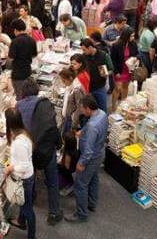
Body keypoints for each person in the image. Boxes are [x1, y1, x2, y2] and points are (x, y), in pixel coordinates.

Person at [16, 78, 63, 225]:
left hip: (29, 149)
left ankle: (31, 198)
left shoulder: (18, 105)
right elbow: (53, 127)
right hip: (47, 149)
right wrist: (58, 144)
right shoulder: (45, 103)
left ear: (23, 92)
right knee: (52, 181)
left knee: (30, 178)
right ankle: (54, 213)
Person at [65, 95, 108, 223]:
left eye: (82, 109)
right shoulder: (102, 114)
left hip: (90, 158)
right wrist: (83, 131)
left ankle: (81, 214)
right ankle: (91, 203)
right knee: (94, 178)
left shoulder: (92, 126)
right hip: (100, 153)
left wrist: (82, 163)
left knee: (80, 185)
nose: (82, 111)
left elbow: (88, 151)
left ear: (88, 108)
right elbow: (91, 127)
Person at [4, 108, 36, 239]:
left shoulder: (19, 143)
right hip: (28, 176)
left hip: (24, 178)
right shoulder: (24, 133)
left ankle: (32, 236)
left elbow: (24, 166)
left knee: (28, 208)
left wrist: (10, 168)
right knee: (24, 202)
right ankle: (21, 221)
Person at [110, 27, 138, 112]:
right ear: (126, 36)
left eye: (133, 36)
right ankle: (113, 107)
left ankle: (123, 105)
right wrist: (116, 72)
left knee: (125, 87)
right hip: (119, 69)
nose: (133, 38)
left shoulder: (133, 44)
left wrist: (136, 58)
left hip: (129, 69)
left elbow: (137, 54)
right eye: (131, 36)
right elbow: (113, 60)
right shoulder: (116, 45)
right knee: (117, 88)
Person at [79, 38, 112, 112]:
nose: (83, 52)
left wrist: (106, 74)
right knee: (90, 111)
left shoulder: (104, 55)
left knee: (103, 109)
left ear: (90, 47)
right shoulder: (83, 57)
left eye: (84, 50)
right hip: (88, 89)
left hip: (100, 87)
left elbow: (111, 69)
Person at [8, 19, 37, 99]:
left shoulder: (15, 42)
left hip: (17, 74)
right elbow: (34, 55)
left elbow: (11, 58)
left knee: (20, 96)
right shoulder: (32, 40)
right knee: (27, 94)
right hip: (28, 71)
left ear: (15, 30)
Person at [58, 131, 80, 196]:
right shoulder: (75, 149)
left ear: (67, 143)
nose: (62, 141)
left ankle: (68, 185)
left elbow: (66, 167)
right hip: (74, 170)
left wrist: (59, 162)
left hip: (69, 172)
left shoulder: (68, 154)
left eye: (63, 140)